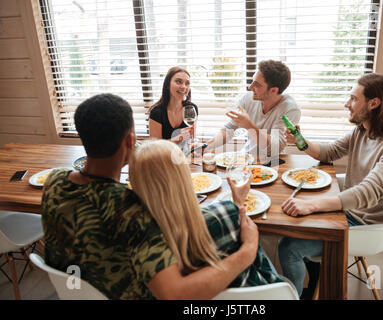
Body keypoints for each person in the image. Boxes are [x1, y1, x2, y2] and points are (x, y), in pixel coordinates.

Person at [41, 93, 259, 300]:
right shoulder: (132, 211)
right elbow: (174, 295)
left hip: (73, 292)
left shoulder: (54, 181)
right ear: (130, 140)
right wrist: (247, 251)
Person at [277, 73, 383, 299]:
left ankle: (294, 295)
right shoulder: (364, 129)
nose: (347, 104)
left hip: (368, 224)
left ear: (374, 103)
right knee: (288, 223)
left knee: (289, 247)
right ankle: (312, 276)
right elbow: (330, 151)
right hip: (349, 210)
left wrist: (314, 205)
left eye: (354, 99)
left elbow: (370, 191)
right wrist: (300, 139)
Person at [129, 139, 285, 287]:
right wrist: (238, 205)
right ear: (184, 178)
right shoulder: (222, 215)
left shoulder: (138, 236)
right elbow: (266, 272)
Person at [204, 60, 301, 159]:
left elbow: (275, 148)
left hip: (272, 162)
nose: (250, 87)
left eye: (257, 85)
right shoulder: (248, 98)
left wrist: (249, 126)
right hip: (247, 157)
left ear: (273, 90)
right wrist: (207, 146)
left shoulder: (290, 109)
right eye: (252, 81)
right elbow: (229, 129)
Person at [148, 66, 197, 144]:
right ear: (167, 85)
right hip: (164, 156)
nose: (184, 87)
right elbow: (155, 147)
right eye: (178, 82)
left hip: (185, 155)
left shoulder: (191, 108)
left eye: (187, 83)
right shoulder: (156, 112)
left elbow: (191, 140)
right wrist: (177, 139)